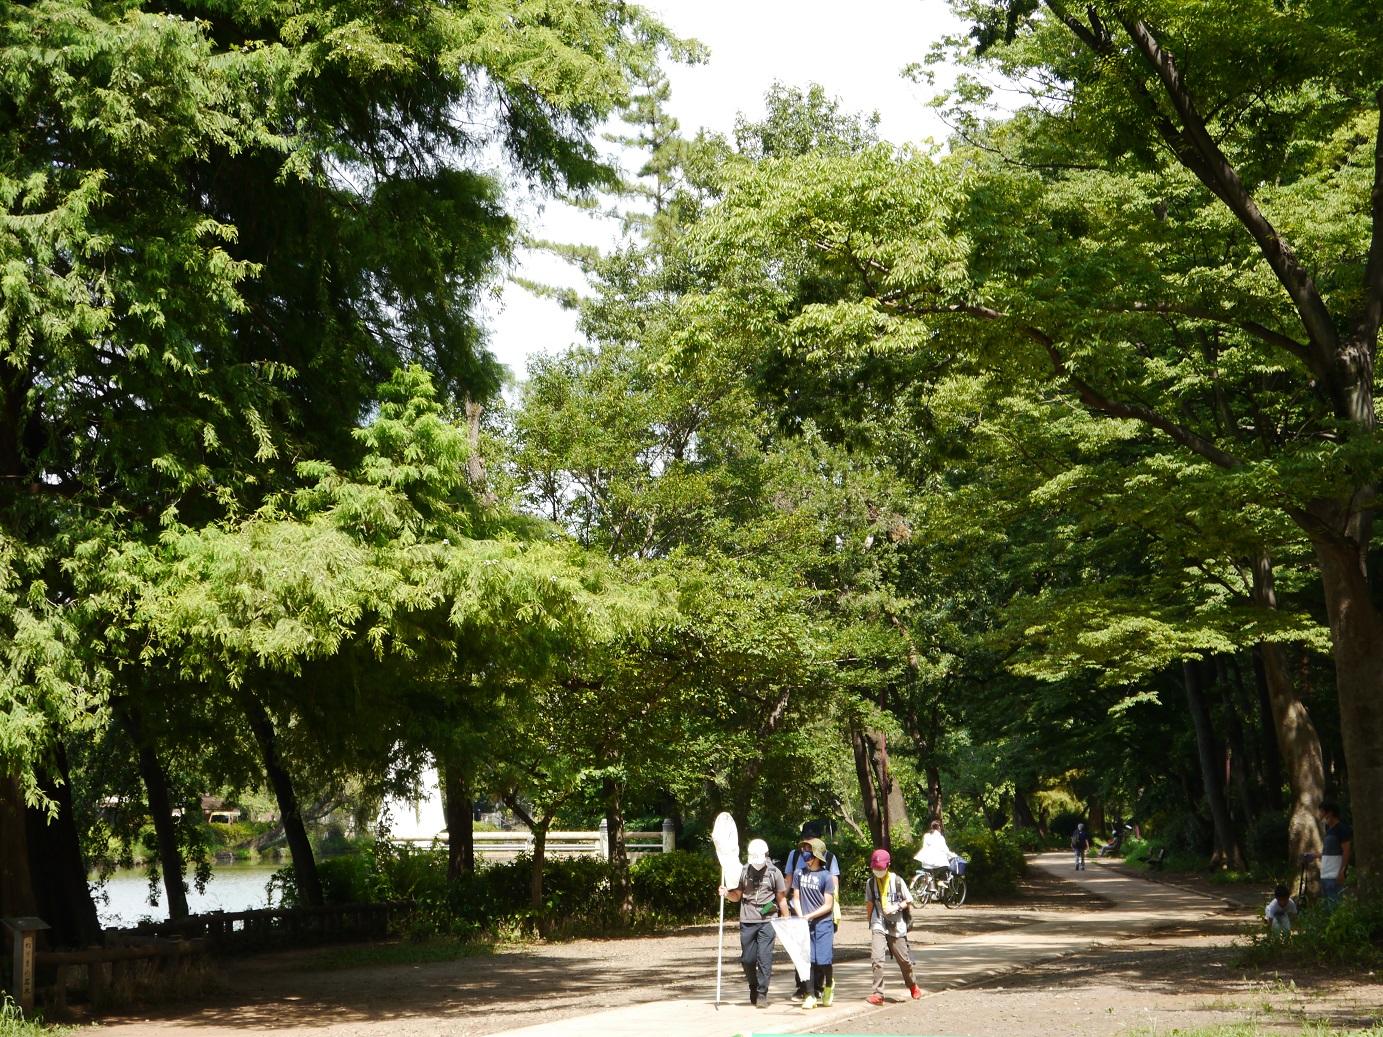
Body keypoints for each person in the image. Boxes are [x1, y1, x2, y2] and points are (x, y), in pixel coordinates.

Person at [718, 837, 788, 1008]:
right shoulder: (744, 871)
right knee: (747, 959)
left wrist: (786, 918)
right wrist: (726, 893)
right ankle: (753, 986)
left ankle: (762, 993)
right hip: (747, 921)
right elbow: (737, 896)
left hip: (767, 921)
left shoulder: (774, 873)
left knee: (764, 958)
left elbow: (781, 899)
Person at [785, 826, 841, 1000]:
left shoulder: (827, 869)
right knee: (805, 957)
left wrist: (811, 915)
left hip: (823, 920)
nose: (805, 851)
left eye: (809, 847)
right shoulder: (797, 868)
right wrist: (798, 914)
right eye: (804, 845)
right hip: (802, 919)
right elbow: (794, 893)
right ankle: (807, 992)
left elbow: (830, 898)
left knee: (822, 959)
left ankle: (825, 985)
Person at [864, 848, 922, 1005]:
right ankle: (878, 993)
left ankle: (912, 985)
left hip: (897, 925)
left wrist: (895, 907)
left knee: (904, 961)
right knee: (877, 959)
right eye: (875, 868)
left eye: (880, 868)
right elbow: (869, 903)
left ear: (887, 866)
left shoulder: (897, 881)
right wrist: (870, 921)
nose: (877, 871)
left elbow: (908, 900)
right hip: (879, 923)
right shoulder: (870, 883)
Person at [1315, 801, 1352, 905]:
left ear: (1329, 813)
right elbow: (1329, 853)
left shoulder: (1342, 829)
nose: (1320, 815)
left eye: (1321, 812)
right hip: (1325, 875)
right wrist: (1314, 856)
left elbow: (1346, 851)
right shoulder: (1329, 830)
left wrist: (1342, 871)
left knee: (1335, 906)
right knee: (1327, 907)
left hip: (1335, 876)